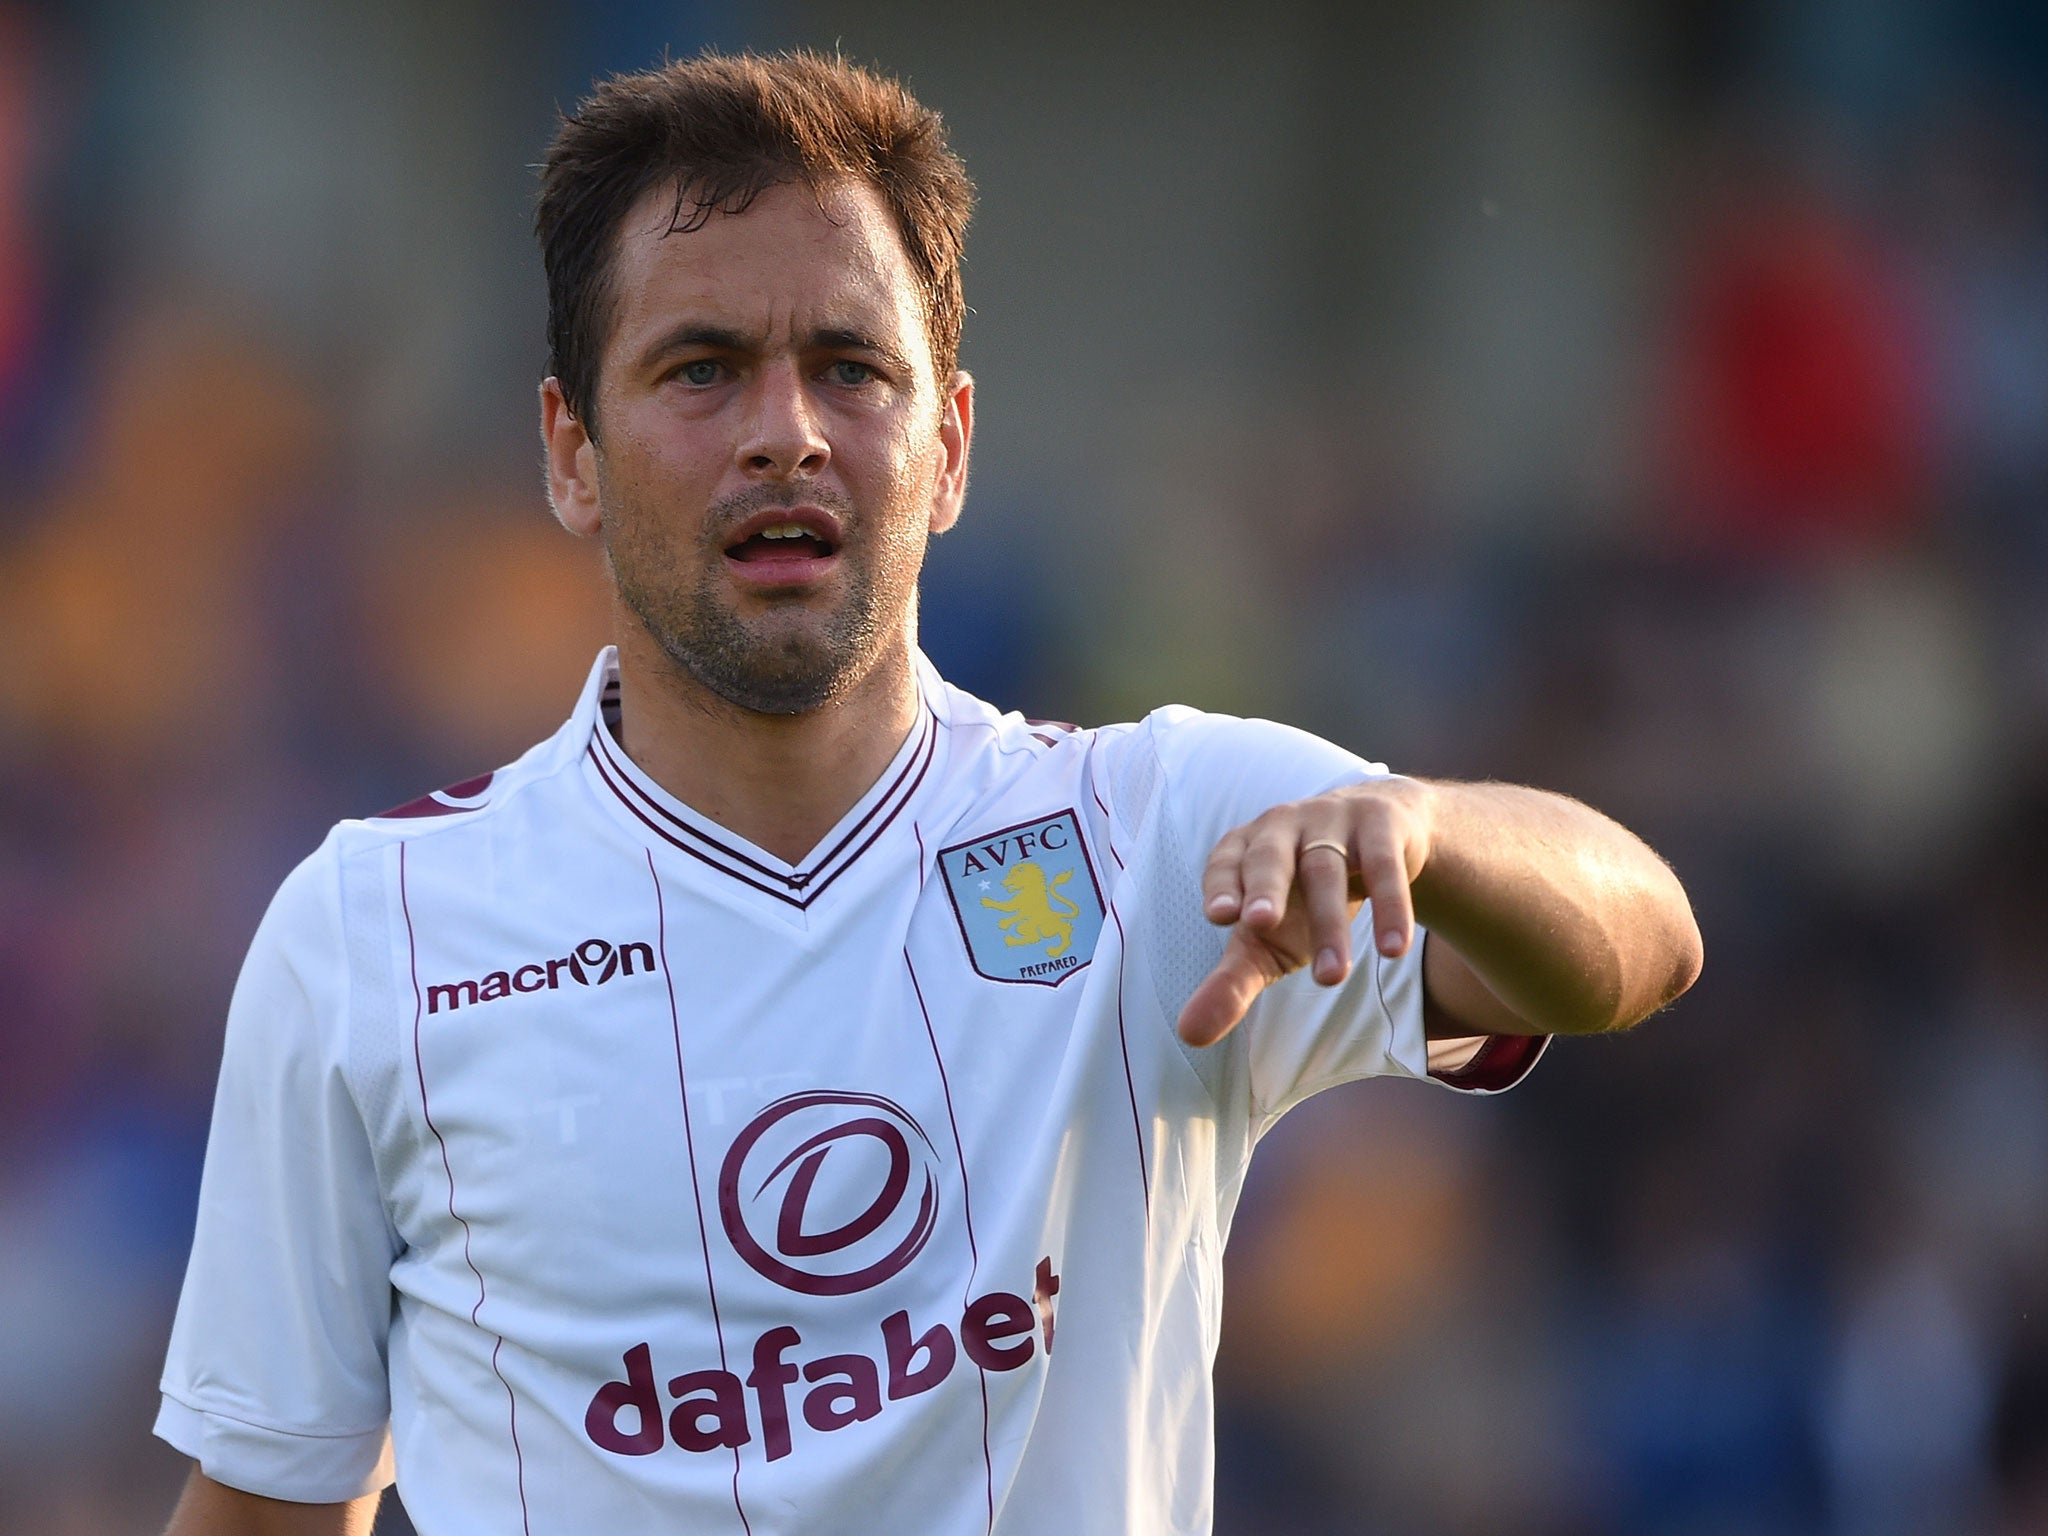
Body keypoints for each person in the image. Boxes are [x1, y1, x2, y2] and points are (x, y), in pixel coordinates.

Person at [156, 49, 1702, 1536]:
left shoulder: (1153, 835)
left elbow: (1641, 943)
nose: (786, 433)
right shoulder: (376, 930)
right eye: (701, 370)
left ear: (948, 446)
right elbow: (272, 1501)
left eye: (850, 368)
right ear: (570, 453)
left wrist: (1435, 834)